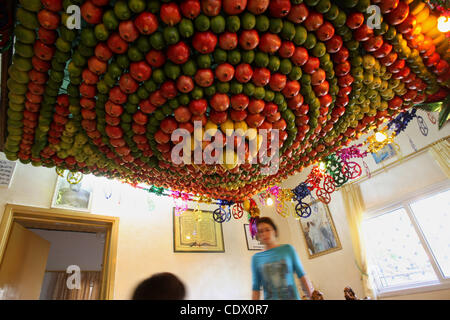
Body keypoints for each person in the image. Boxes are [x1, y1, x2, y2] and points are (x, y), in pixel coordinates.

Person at [251, 217, 315, 300]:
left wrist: (312, 296)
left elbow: (302, 275)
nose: (264, 234)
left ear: (275, 231)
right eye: (261, 231)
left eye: (267, 230)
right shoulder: (256, 258)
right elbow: (256, 288)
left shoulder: (288, 249)